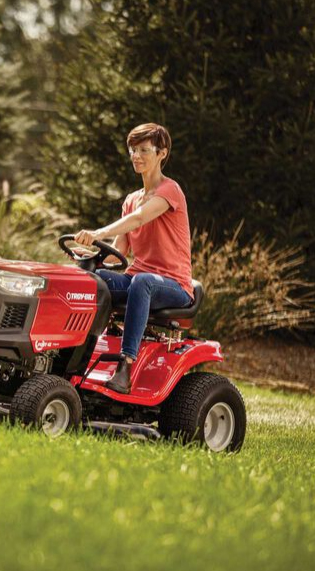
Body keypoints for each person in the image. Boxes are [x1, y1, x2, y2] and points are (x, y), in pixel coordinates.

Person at [73, 123, 193, 394]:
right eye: (132, 150)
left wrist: (96, 232)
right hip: (137, 277)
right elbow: (119, 255)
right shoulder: (131, 200)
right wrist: (92, 258)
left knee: (142, 282)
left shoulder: (170, 191)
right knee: (90, 280)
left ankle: (125, 367)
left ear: (162, 153)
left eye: (143, 150)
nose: (136, 156)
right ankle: (75, 354)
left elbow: (139, 218)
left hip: (173, 285)